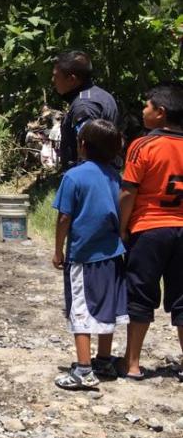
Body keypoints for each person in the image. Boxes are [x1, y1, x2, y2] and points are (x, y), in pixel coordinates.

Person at [51, 119, 128, 390]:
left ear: (82, 145)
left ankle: (84, 369)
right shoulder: (115, 177)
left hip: (83, 254)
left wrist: (58, 249)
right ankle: (104, 360)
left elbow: (64, 218)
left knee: (80, 309)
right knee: (107, 306)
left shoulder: (74, 177)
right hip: (113, 254)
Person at [119, 82, 183, 380]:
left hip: (149, 229)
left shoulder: (143, 145)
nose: (143, 110)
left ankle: (132, 364)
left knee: (141, 295)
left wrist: (121, 228)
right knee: (182, 298)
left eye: (147, 105)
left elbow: (128, 192)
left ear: (160, 112)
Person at [51, 50, 118, 170]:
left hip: (90, 178)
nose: (53, 80)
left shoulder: (84, 106)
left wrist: (78, 179)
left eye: (56, 76)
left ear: (72, 79)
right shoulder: (100, 94)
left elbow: (88, 151)